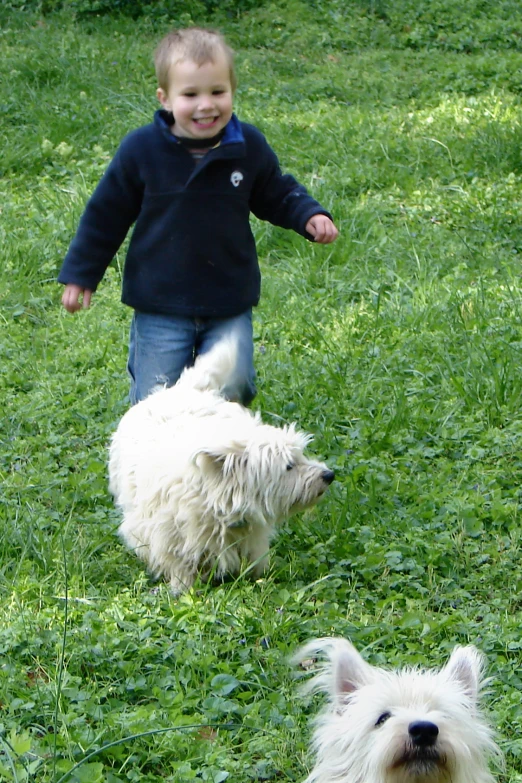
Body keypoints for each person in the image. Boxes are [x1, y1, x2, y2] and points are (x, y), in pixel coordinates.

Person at [58, 27, 339, 405]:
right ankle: (158, 460)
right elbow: (105, 214)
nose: (206, 105)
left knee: (233, 386)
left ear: (232, 91)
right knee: (157, 399)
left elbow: (276, 190)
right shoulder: (141, 150)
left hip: (228, 298)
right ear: (165, 98)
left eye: (217, 91)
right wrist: (81, 273)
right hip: (160, 302)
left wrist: (308, 213)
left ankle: (219, 457)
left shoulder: (247, 147)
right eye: (190, 94)